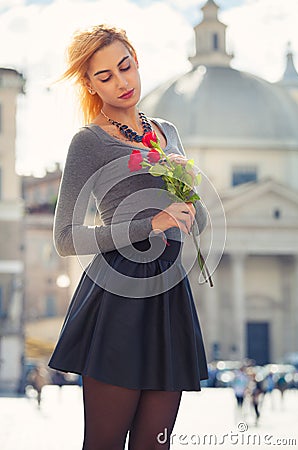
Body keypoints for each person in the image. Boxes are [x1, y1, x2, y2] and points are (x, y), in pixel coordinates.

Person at [48, 24, 208, 450]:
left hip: (169, 294)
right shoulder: (88, 142)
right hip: (117, 294)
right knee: (104, 443)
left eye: (126, 67)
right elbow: (65, 238)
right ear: (90, 84)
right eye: (106, 77)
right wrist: (149, 225)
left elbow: (196, 220)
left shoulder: (166, 131)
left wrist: (188, 190)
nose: (122, 83)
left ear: (136, 61)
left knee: (156, 445)